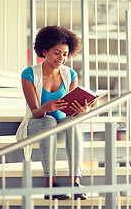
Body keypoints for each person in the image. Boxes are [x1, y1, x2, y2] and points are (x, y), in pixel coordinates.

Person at [16, 26, 92, 200]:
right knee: (48, 121)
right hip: (37, 123)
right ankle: (50, 183)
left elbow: (70, 113)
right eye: (57, 53)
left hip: (60, 123)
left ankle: (76, 182)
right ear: (45, 51)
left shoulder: (70, 74)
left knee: (72, 124)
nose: (61, 58)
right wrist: (45, 108)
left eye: (65, 54)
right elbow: (35, 113)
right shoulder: (29, 74)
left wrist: (80, 113)